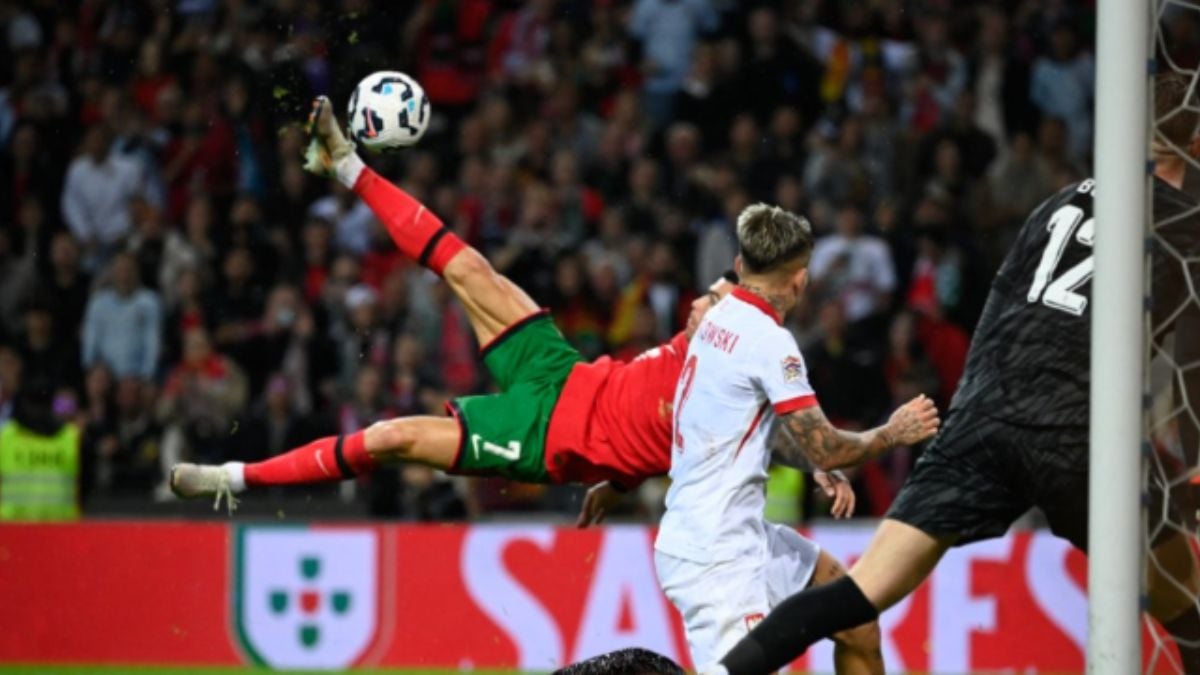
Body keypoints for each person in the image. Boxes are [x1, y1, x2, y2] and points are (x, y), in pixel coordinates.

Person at [705, 74, 1200, 675]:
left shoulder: (1060, 201)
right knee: (1188, 609)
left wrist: (975, 408)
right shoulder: (1189, 226)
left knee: (853, 599)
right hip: (1078, 433)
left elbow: (1002, 299)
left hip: (982, 420)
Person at [655, 203, 940, 674]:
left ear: (742, 266)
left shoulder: (718, 319)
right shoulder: (769, 341)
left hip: (734, 535)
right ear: (801, 280)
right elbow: (824, 443)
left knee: (856, 619)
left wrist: (814, 463)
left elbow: (761, 432)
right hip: (716, 560)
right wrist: (892, 433)